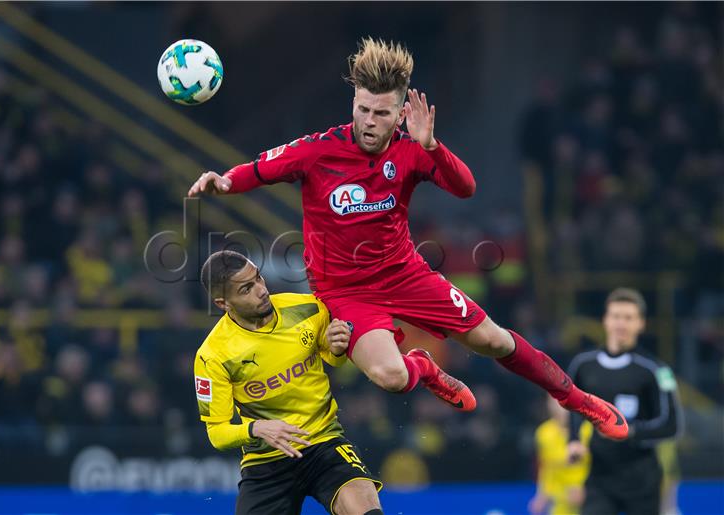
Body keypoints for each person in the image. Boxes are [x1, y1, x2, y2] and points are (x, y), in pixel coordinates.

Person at [188, 37, 627, 440]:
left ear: (400, 113)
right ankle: (423, 368)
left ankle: (579, 401)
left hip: (405, 274)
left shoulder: (412, 148)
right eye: (363, 109)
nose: (369, 121)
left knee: (494, 341)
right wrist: (225, 182)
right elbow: (259, 169)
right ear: (353, 103)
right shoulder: (317, 150)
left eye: (381, 113)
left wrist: (433, 146)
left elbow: (465, 188)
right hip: (345, 293)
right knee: (392, 377)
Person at [193, 250, 383, 515]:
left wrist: (337, 348)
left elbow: (332, 359)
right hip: (265, 462)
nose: (261, 290)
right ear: (223, 304)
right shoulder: (213, 355)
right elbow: (217, 433)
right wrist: (257, 428)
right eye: (247, 288)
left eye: (258, 278)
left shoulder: (307, 308)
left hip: (324, 443)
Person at [567, 288, 683, 515]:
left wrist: (627, 431)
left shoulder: (656, 371)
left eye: (629, 318)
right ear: (605, 320)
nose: (621, 324)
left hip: (642, 479)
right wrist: (573, 440)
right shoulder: (583, 365)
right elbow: (572, 407)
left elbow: (671, 425)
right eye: (616, 316)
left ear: (641, 324)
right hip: (599, 478)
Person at [528, 395, 592, 515]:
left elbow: (600, 468)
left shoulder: (589, 430)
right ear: (548, 405)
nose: (561, 408)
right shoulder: (543, 433)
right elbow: (546, 468)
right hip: (560, 502)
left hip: (590, 500)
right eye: (555, 402)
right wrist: (542, 495)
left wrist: (587, 489)